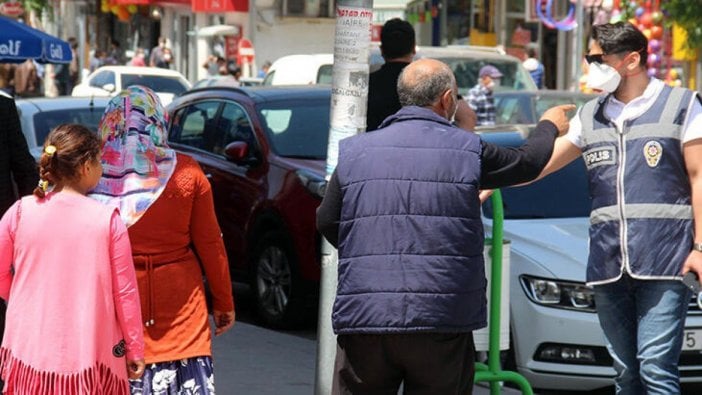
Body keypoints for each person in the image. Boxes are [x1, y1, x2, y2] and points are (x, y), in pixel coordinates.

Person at [316, 58, 573, 394]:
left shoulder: (356, 151)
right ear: (447, 98)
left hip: (367, 315)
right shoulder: (467, 149)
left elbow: (327, 219)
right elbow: (526, 164)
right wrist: (548, 126)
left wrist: (372, 254)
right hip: (440, 318)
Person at [537, 22, 702, 394]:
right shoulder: (590, 113)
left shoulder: (682, 105)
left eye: (597, 59)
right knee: (626, 374)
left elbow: (699, 178)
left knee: (656, 370)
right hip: (609, 264)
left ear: (631, 61)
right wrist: (487, 182)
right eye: (587, 58)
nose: (589, 68)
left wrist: (700, 249)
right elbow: (542, 164)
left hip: (665, 261)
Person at [90, 86, 235, 394]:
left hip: (112, 308)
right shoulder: (186, 172)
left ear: (110, 121)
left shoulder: (92, 174)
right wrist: (223, 302)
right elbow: (211, 244)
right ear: (158, 121)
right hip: (182, 311)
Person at [0, 124, 145, 393]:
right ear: (85, 167)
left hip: (30, 350)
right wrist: (134, 348)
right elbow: (124, 292)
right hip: (90, 353)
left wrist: (21, 298)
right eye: (99, 161)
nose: (101, 168)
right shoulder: (107, 220)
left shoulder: (20, 211)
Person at [366, 18, 415, 132]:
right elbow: (464, 117)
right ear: (414, 49)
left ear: (382, 50)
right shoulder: (430, 85)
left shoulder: (365, 86)